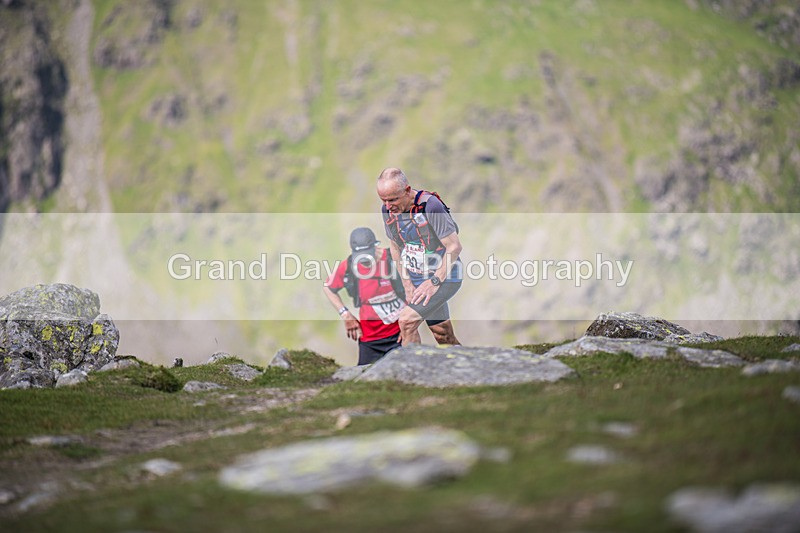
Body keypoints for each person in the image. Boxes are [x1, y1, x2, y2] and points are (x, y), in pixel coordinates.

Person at [377, 167, 462, 346]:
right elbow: (394, 247)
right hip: (417, 279)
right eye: (383, 200)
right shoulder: (388, 211)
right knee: (443, 335)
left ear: (407, 190)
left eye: (393, 199)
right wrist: (407, 283)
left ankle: (412, 372)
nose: (388, 206)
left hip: (445, 277)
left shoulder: (430, 206)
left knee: (407, 322)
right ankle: (471, 368)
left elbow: (454, 247)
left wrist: (433, 283)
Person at [323, 227, 404, 365]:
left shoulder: (393, 258)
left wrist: (409, 325)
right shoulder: (349, 266)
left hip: (400, 336)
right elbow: (328, 288)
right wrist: (345, 314)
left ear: (375, 246)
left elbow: (413, 288)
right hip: (370, 341)